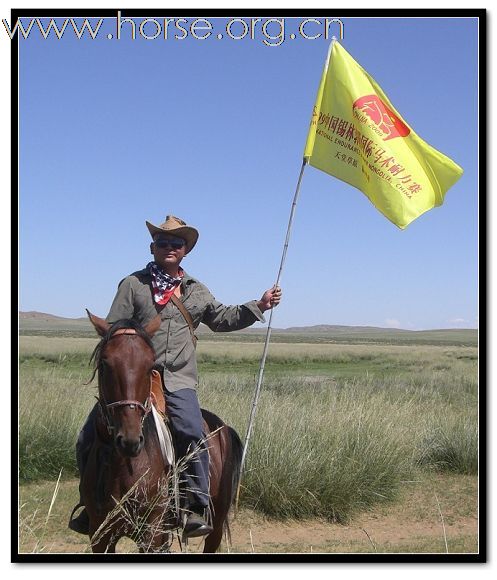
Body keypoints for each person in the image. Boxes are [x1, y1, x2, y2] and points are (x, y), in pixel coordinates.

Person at [69, 215, 282, 539]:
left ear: (185, 250)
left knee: (190, 429)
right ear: (153, 247)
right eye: (163, 242)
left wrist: (259, 305)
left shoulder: (195, 291)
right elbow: (114, 329)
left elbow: (222, 318)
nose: (170, 247)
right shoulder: (133, 285)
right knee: (88, 434)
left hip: (179, 379)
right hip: (136, 379)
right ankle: (90, 505)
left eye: (176, 243)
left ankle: (194, 506)